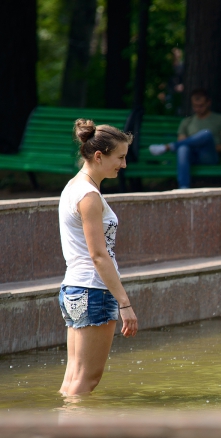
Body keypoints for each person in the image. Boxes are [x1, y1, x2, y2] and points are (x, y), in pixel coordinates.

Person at [58, 119, 139, 396]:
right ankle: (73, 437)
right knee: (86, 380)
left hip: (75, 288)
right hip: (94, 290)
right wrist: (125, 304)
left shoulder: (74, 186)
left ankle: (63, 431)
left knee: (74, 378)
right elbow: (98, 255)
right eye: (120, 157)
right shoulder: (88, 195)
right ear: (98, 156)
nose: (124, 164)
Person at [149, 88, 221, 189]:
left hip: (209, 155)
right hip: (192, 156)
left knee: (206, 134)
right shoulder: (187, 122)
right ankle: (183, 188)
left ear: (208, 103)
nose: (197, 109)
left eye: (201, 106)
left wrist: (204, 144)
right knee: (183, 148)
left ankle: (168, 147)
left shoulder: (220, 119)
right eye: (195, 106)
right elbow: (182, 143)